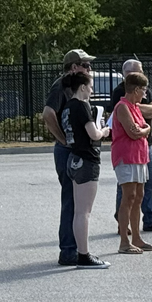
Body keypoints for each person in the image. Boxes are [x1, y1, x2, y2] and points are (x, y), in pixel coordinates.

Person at [42, 49, 96, 267]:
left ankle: (73, 247)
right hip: (68, 151)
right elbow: (47, 113)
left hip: (72, 149)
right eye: (86, 65)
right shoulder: (62, 85)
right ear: (74, 67)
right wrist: (63, 139)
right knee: (72, 201)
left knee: (75, 201)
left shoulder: (72, 87)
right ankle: (69, 250)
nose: (89, 69)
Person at [108, 58, 152, 232]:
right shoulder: (121, 95)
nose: (142, 73)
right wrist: (146, 127)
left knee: (146, 186)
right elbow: (135, 126)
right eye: (138, 71)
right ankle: (123, 224)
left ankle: (148, 220)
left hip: (142, 150)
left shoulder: (137, 98)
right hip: (127, 153)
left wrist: (151, 110)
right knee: (127, 190)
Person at [59, 70, 109, 268]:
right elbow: (93, 134)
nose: (92, 89)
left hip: (73, 157)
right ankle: (84, 254)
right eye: (90, 86)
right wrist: (104, 130)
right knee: (84, 212)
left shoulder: (67, 107)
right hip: (87, 160)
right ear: (82, 87)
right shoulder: (81, 106)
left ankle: (81, 252)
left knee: (78, 211)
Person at [111, 72, 152, 254]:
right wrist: (145, 130)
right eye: (144, 90)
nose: (145, 94)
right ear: (136, 89)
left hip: (139, 156)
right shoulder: (122, 107)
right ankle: (124, 241)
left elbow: (142, 128)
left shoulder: (135, 107)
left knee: (139, 196)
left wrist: (143, 129)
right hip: (126, 156)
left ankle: (137, 238)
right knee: (128, 196)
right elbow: (133, 132)